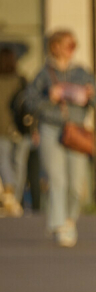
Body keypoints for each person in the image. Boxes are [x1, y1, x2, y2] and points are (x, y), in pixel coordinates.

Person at [27, 30, 96, 247]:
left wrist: (90, 94)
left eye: (74, 45)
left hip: (75, 130)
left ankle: (70, 219)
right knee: (57, 179)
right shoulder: (44, 73)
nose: (71, 49)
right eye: (68, 44)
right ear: (55, 46)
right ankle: (58, 224)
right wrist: (50, 97)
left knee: (76, 183)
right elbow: (30, 101)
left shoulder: (82, 72)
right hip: (50, 129)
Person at [0, 46, 32, 216]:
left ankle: (10, 195)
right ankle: (15, 198)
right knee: (19, 164)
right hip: (21, 128)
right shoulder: (21, 80)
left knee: (4, 161)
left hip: (2, 128)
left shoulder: (20, 80)